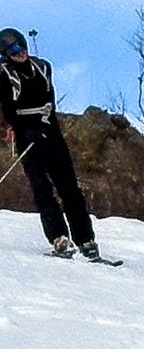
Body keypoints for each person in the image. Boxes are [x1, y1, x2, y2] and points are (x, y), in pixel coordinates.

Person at [0, 28, 104, 261]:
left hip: (49, 130)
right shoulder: (4, 75)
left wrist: (46, 122)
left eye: (22, 46)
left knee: (69, 187)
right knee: (42, 188)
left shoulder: (43, 67)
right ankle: (59, 238)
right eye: (13, 49)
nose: (20, 53)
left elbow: (49, 97)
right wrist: (26, 129)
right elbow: (8, 109)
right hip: (27, 135)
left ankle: (86, 238)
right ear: (5, 53)